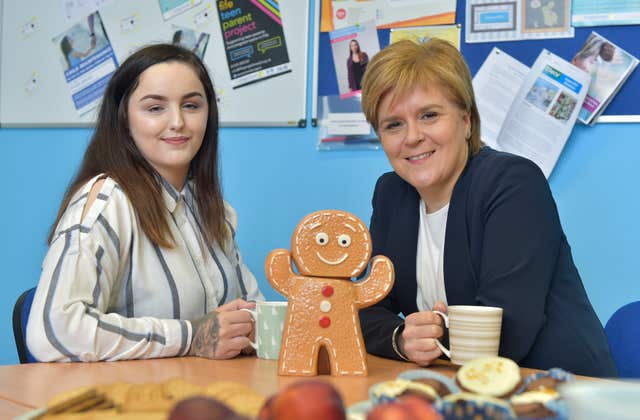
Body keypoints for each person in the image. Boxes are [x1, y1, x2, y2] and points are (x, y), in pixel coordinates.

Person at [358, 39, 617, 377]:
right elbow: (365, 307)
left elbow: (506, 328)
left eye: (429, 115)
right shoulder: (391, 193)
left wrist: (430, 335)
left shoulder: (512, 183)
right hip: (459, 386)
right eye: (393, 124)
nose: (412, 137)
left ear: (466, 120)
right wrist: (400, 339)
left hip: (557, 387)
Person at [27, 44, 263, 362]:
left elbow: (252, 314)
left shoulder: (212, 209)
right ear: (124, 119)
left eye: (192, 105)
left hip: (202, 398)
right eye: (155, 108)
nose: (178, 121)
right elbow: (52, 333)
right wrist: (194, 336)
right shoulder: (107, 202)